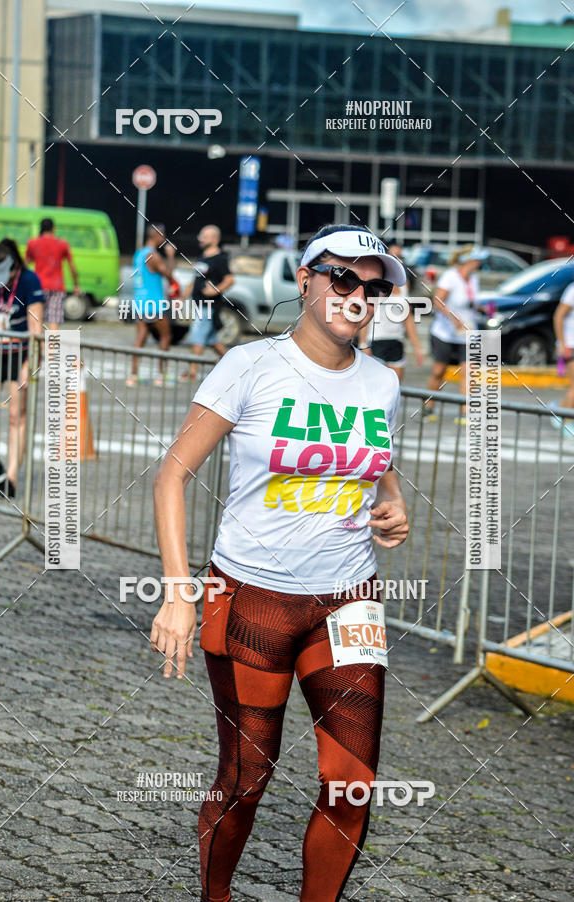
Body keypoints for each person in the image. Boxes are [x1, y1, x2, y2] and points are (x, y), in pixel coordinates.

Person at [151, 223, 410, 902]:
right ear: (305, 278)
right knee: (246, 779)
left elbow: (375, 465)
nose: (357, 294)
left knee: (352, 783)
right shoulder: (250, 365)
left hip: (350, 600)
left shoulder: (383, 382)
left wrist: (394, 501)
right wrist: (180, 593)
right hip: (251, 599)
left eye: (374, 285)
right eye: (342, 277)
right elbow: (171, 475)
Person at [0, 239, 44, 498]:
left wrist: (31, 365)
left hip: (19, 356)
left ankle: (11, 478)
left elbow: (36, 327)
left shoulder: (29, 282)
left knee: (17, 417)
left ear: (14, 267)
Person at [424, 245, 489, 425]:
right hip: (445, 333)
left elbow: (470, 302)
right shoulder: (450, 276)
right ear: (468, 261)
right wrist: (453, 319)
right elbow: (437, 301)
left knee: (469, 372)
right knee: (439, 371)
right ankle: (428, 407)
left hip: (468, 333)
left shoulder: (473, 279)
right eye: (477, 261)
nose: (479, 264)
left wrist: (481, 309)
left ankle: (465, 412)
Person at [358, 240, 424, 382]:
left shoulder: (404, 284)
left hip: (396, 340)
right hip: (376, 341)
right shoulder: (377, 283)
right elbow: (366, 313)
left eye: (400, 258)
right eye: (394, 257)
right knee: (375, 388)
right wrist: (363, 344)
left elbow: (408, 318)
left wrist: (417, 347)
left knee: (395, 388)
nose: (398, 261)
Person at [179, 225, 234, 381]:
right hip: (198, 304)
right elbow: (195, 280)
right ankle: (236, 364)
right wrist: (182, 297)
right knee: (212, 341)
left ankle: (192, 371)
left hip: (208, 306)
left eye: (204, 236)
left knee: (197, 336)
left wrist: (215, 290)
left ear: (214, 239)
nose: (200, 238)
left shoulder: (220, 258)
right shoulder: (203, 257)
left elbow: (230, 279)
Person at [127, 224, 176, 387]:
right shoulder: (153, 255)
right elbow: (169, 275)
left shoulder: (138, 254)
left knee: (141, 337)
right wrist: (170, 256)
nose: (164, 239)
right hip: (154, 304)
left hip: (140, 302)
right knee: (166, 336)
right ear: (156, 235)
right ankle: (161, 375)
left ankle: (133, 375)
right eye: (163, 235)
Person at [25, 217, 79, 330]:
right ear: (53, 229)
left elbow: (25, 265)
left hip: (37, 286)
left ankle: (38, 347)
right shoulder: (62, 244)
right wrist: (76, 284)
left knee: (37, 321)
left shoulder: (33, 243)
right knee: (54, 323)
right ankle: (52, 348)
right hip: (57, 288)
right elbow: (72, 266)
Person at [551, 281, 574, 437]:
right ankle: (566, 422)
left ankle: (558, 408)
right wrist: (562, 343)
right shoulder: (572, 289)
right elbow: (558, 316)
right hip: (570, 345)